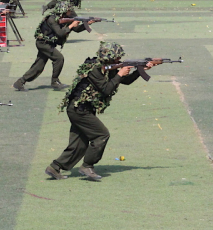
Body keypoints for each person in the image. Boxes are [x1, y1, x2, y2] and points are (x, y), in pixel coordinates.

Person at [44, 42, 159, 181]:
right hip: (79, 109)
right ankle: (87, 166)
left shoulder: (106, 68)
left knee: (79, 143)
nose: (119, 60)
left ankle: (55, 167)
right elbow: (106, 90)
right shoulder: (95, 69)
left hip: (82, 109)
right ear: (109, 58)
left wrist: (140, 70)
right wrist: (120, 73)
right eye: (117, 58)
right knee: (101, 135)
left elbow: (126, 81)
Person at [13, 2, 92, 91]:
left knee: (38, 66)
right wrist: (71, 25)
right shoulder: (52, 19)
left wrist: (87, 24)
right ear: (63, 11)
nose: (71, 12)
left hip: (48, 43)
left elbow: (76, 29)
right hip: (43, 43)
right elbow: (60, 33)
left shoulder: (64, 18)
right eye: (69, 11)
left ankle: (20, 82)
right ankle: (55, 81)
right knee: (59, 58)